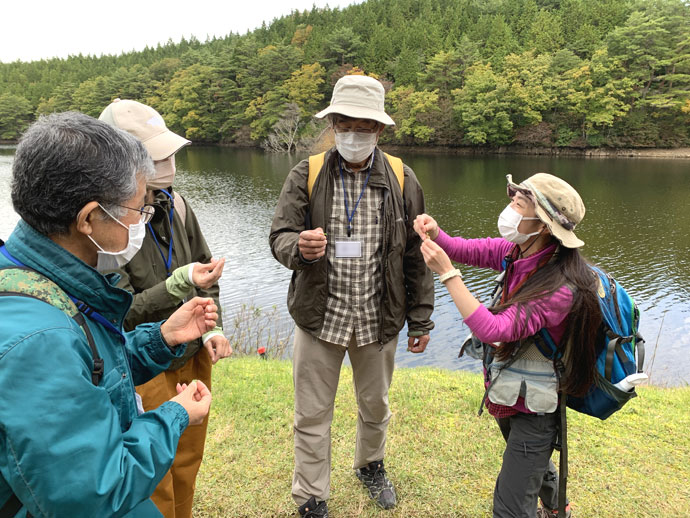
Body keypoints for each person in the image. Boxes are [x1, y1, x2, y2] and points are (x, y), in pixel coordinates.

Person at [0, 112, 216, 517]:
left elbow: (87, 375)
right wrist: (175, 414)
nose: (142, 222)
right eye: (137, 210)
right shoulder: (38, 342)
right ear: (88, 219)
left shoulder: (40, 280)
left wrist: (159, 339)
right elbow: (93, 494)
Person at [269, 74, 434, 517]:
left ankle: (370, 465)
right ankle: (310, 495)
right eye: (344, 123)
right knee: (311, 414)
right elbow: (279, 236)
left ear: (379, 129)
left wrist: (421, 318)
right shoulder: (307, 173)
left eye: (363, 126)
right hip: (320, 317)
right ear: (332, 124)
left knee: (376, 406)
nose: (353, 134)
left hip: (378, 318)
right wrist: (297, 250)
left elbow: (418, 254)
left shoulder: (402, 178)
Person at [414, 173, 600, 518]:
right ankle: (560, 507)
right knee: (530, 463)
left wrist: (447, 274)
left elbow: (494, 329)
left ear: (543, 225)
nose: (509, 210)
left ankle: (547, 505)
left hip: (537, 411)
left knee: (510, 506)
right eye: (512, 201)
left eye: (518, 205)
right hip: (507, 391)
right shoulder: (517, 251)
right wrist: (437, 233)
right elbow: (463, 248)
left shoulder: (560, 288)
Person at [98, 98, 231, 518]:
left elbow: (206, 270)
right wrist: (177, 286)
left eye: (169, 152)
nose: (168, 162)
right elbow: (116, 314)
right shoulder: (110, 221)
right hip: (143, 364)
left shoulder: (176, 204)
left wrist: (212, 328)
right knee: (152, 467)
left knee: (188, 460)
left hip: (190, 351)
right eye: (157, 155)